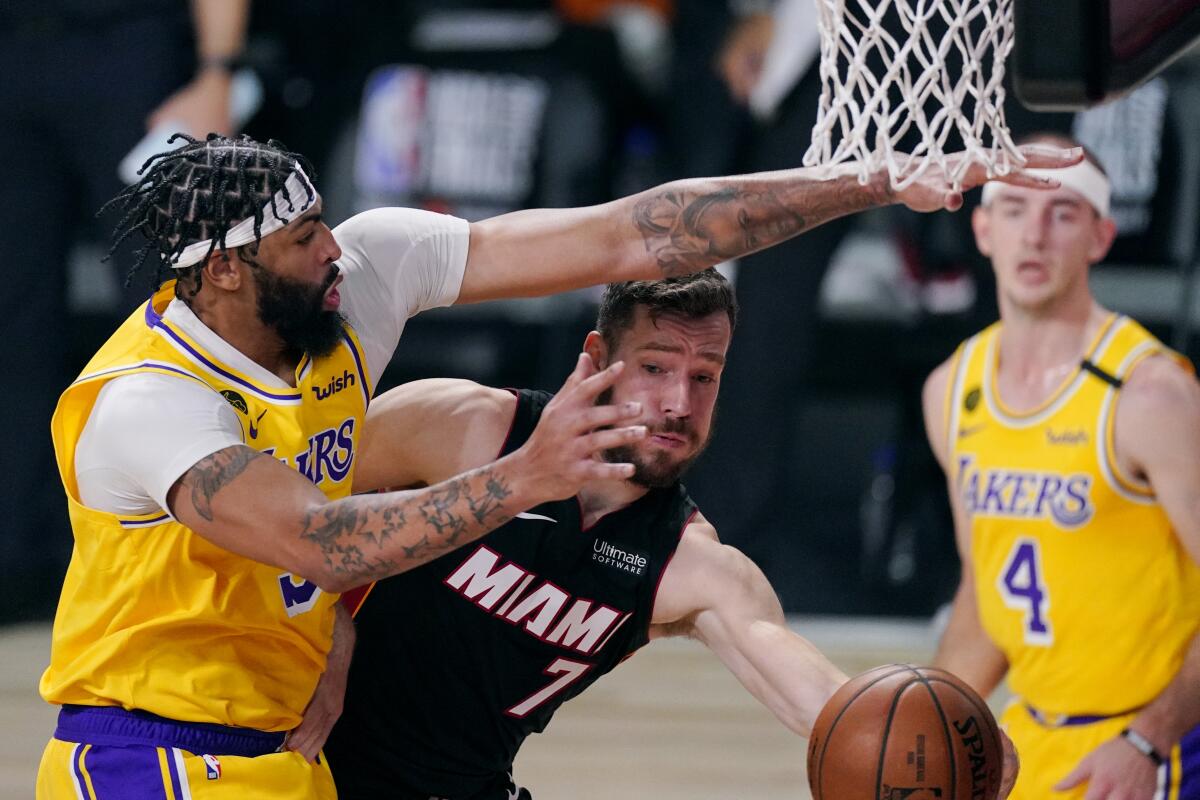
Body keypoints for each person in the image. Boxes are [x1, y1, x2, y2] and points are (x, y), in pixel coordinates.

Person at [38, 130, 1065, 799]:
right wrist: (525, 479)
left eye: (703, 375)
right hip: (152, 752)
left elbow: (633, 233)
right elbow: (323, 537)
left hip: (294, 759)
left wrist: (873, 181)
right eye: (307, 241)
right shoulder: (150, 404)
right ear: (225, 270)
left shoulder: (364, 279)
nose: (335, 253)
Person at [318, 271, 1018, 800]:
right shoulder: (460, 427)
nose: (679, 403)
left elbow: (833, 707)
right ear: (596, 358)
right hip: (294, 753)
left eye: (704, 376)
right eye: (655, 368)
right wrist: (330, 631)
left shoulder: (692, 566)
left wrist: (949, 746)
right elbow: (278, 515)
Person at [923, 134, 1200, 800]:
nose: (1036, 235)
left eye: (1064, 213)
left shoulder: (1149, 394)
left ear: (1100, 238)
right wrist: (925, 723)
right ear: (984, 228)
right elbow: (983, 597)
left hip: (1163, 745)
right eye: (1015, 209)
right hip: (1036, 737)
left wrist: (1147, 740)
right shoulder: (952, 390)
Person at [0, 0, 250, 624]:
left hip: (130, 47)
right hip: (14, 53)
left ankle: (188, 547)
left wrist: (218, 69)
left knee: (167, 311)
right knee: (12, 320)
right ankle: (19, 561)